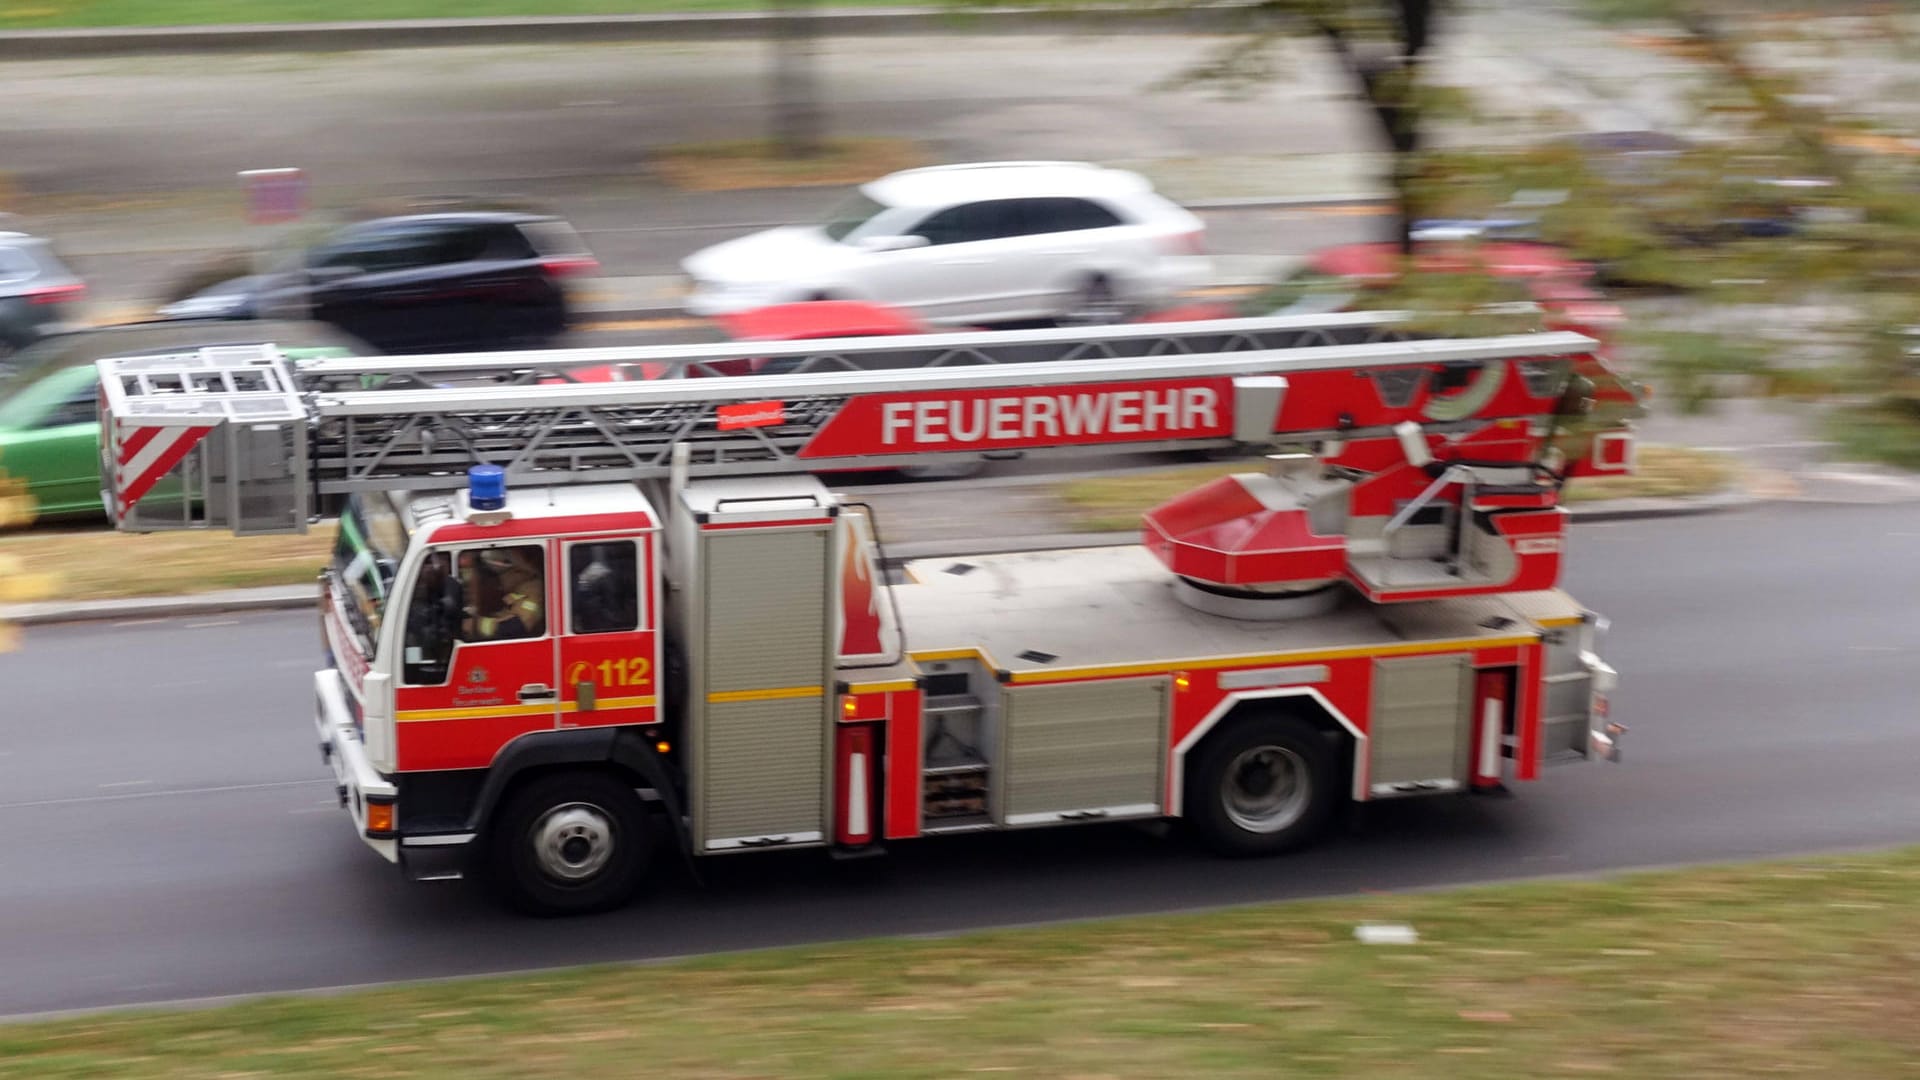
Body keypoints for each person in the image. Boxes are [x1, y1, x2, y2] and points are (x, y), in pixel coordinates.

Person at [463, 547, 544, 641]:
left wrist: (475, 625)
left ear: (518, 572)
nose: (500, 580)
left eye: (502, 574)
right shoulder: (519, 591)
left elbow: (518, 627)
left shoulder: (533, 592)